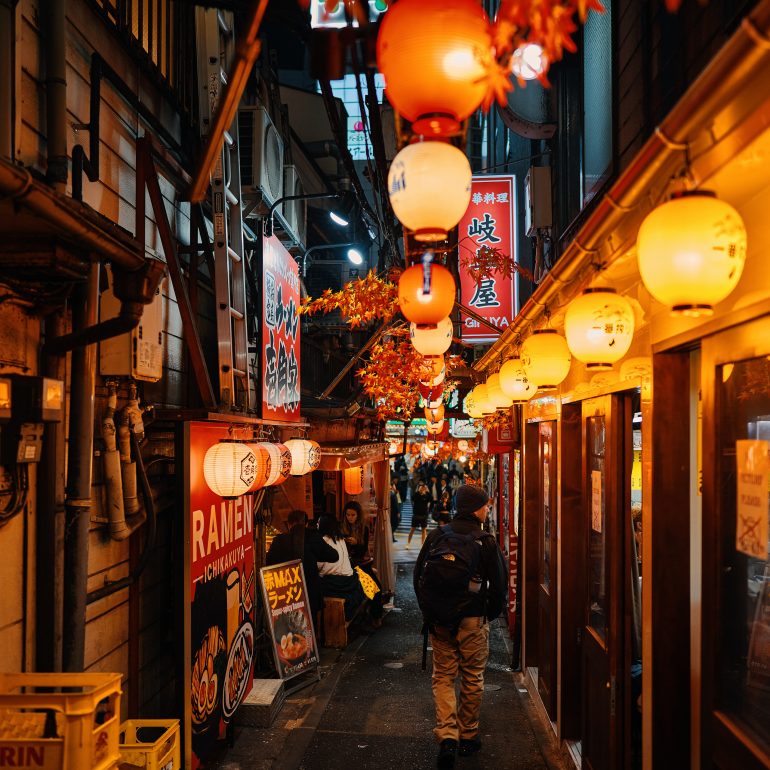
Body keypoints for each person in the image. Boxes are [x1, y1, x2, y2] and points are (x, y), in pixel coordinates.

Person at [413, 485, 507, 769]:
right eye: (485, 505)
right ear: (476, 509)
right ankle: (467, 735)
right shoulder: (485, 541)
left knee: (443, 676)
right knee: (472, 676)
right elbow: (500, 587)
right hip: (472, 620)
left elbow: (418, 576)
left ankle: (447, 736)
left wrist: (430, 611)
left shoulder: (438, 535)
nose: (488, 509)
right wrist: (486, 614)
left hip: (439, 621)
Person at [266, 509, 339, 620]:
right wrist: (315, 554)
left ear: (289, 524)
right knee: (310, 623)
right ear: (306, 524)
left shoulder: (279, 540)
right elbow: (334, 556)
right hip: (310, 594)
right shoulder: (314, 537)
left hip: (285, 595)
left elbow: (268, 563)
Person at [316, 514, 366, 619]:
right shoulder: (340, 539)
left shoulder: (323, 540)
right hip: (350, 582)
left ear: (324, 525)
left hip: (336, 585)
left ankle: (319, 621)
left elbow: (319, 567)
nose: (317, 524)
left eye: (318, 522)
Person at [407, 480, 432, 548]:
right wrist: (418, 491)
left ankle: (422, 544)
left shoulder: (426, 495)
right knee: (412, 529)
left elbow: (431, 499)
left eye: (423, 488)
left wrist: (427, 491)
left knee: (424, 530)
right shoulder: (416, 494)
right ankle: (408, 543)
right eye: (421, 488)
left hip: (424, 515)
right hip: (416, 515)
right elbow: (413, 498)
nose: (422, 489)